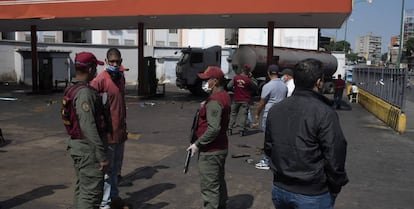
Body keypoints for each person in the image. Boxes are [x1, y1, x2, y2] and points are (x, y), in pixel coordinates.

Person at [265, 59, 348, 209]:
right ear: (318, 82)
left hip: (280, 188)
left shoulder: (275, 110)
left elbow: (269, 148)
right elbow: (335, 153)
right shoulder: (325, 112)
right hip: (312, 193)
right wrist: (336, 185)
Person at [66, 52, 108, 209]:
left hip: (78, 147)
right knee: (91, 195)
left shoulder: (73, 89)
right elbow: (88, 126)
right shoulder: (85, 93)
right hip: (88, 151)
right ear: (90, 69)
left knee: (82, 189)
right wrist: (102, 156)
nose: (97, 71)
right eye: (95, 67)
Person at [187, 66, 231, 209]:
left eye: (207, 80)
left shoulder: (215, 101)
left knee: (210, 188)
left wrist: (198, 144)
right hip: (221, 147)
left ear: (215, 81)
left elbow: (214, 128)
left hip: (211, 151)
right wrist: (206, 105)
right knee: (218, 181)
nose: (204, 83)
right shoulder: (223, 95)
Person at [90, 48, 128, 209]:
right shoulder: (100, 81)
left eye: (117, 62)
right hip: (108, 135)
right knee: (107, 171)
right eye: (111, 61)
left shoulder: (121, 78)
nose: (114, 64)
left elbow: (121, 105)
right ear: (106, 62)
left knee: (116, 169)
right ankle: (104, 204)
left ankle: (114, 197)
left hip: (120, 133)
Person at [254, 64, 287, 170]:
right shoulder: (284, 86)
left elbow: (262, 102)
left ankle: (266, 161)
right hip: (281, 114)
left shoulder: (267, 86)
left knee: (268, 139)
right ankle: (276, 160)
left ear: (268, 73)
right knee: (277, 138)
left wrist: (257, 114)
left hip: (269, 114)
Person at [227, 64, 258, 136]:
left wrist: (234, 89)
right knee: (243, 115)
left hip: (236, 99)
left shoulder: (235, 78)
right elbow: (255, 87)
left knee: (233, 114)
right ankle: (241, 130)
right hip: (245, 100)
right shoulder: (249, 80)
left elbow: (228, 86)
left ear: (242, 70)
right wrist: (252, 77)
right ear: (249, 72)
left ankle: (229, 129)